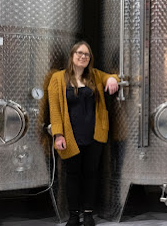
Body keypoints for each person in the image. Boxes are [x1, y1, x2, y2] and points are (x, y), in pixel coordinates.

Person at [48, 41, 119, 226]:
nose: (83, 56)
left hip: (95, 135)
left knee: (91, 174)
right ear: (72, 55)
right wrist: (58, 135)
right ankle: (73, 215)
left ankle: (88, 214)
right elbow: (54, 109)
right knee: (72, 175)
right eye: (79, 53)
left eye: (87, 54)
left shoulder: (94, 75)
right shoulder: (58, 78)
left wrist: (112, 79)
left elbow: (112, 78)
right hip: (71, 136)